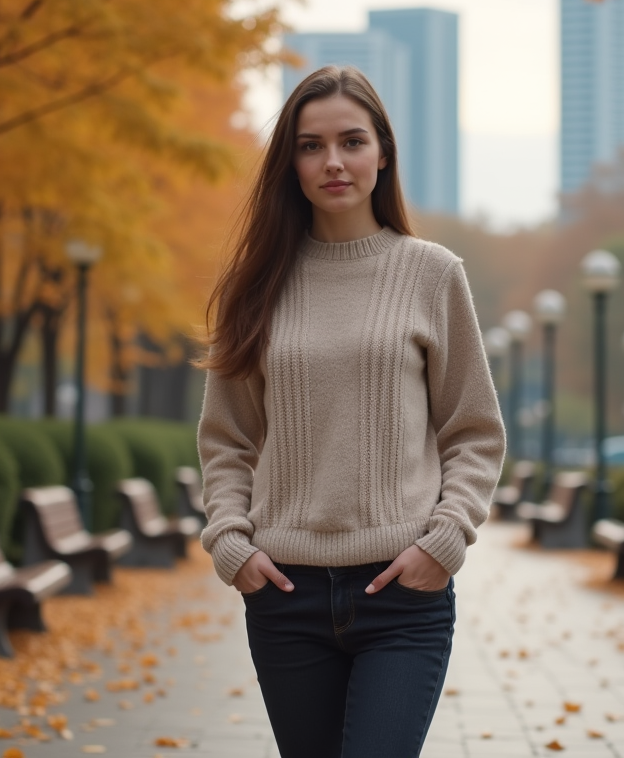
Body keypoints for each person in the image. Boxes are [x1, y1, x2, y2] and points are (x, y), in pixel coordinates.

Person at [196, 65, 506, 758]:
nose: (332, 162)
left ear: (383, 152)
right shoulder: (255, 288)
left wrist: (445, 540)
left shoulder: (432, 274)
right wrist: (230, 545)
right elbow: (227, 440)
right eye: (310, 146)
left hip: (403, 595)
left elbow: (474, 430)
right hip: (284, 596)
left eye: (351, 141)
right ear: (291, 163)